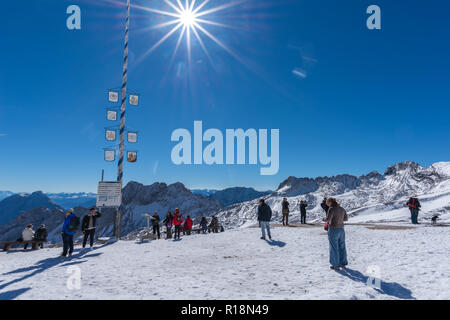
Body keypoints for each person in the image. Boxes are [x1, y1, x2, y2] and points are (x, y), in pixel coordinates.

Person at [325, 198, 348, 270]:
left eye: (327, 203)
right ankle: (343, 264)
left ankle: (336, 265)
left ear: (330, 202)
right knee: (342, 246)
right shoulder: (341, 208)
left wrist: (324, 219)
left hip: (333, 229)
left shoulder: (331, 209)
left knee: (334, 247)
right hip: (341, 229)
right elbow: (346, 219)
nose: (327, 204)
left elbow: (328, 220)